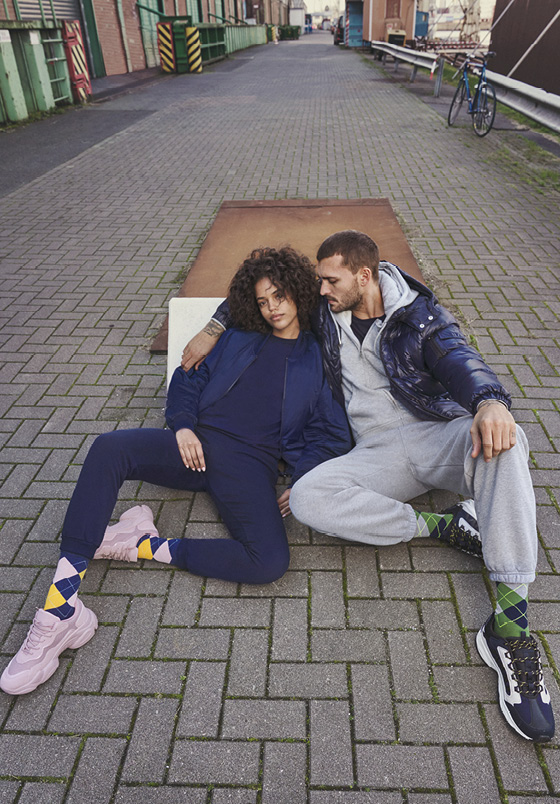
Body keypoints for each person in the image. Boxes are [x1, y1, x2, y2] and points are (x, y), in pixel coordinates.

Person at [181, 230, 554, 743]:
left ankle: (509, 629)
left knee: (508, 443)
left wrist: (490, 401)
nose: (321, 290)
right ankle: (444, 525)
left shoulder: (420, 316)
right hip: (376, 453)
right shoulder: (324, 308)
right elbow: (259, 288)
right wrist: (212, 328)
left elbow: (459, 358)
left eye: (331, 281)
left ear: (365, 275)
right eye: (319, 281)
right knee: (308, 497)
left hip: (435, 435)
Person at [1, 246, 351, 696]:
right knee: (109, 448)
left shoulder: (314, 358)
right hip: (193, 445)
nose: (272, 308)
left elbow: (329, 432)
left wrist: (304, 477)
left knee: (269, 561)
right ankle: (59, 611)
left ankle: (143, 543)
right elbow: (188, 377)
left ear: (298, 292)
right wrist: (183, 426)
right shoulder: (239, 335)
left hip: (249, 465)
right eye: (263, 301)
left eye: (279, 296)